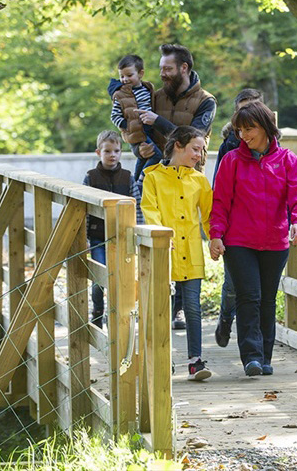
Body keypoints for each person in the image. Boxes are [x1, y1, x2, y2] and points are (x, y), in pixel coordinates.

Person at [209, 102, 297, 376]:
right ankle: (251, 357)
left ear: (266, 127)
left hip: (275, 242)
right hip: (239, 241)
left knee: (267, 299)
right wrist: (215, 235)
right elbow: (220, 201)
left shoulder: (288, 160)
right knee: (249, 296)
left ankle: (265, 358)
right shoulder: (231, 161)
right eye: (240, 130)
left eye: (249, 128)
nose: (243, 135)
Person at [137, 43, 217, 329]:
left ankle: (181, 308)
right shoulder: (155, 97)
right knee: (156, 232)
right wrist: (140, 149)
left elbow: (194, 135)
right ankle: (156, 302)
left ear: (184, 68)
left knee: (184, 234)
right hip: (156, 175)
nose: (163, 74)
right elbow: (138, 129)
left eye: (168, 69)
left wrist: (158, 122)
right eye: (161, 69)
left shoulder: (207, 101)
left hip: (190, 177)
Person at [141, 126, 214, 381]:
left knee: (193, 308)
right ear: (178, 146)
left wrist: (215, 238)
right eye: (195, 149)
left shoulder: (200, 180)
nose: (199, 155)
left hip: (191, 251)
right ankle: (164, 359)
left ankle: (196, 361)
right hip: (164, 251)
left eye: (201, 150)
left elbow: (208, 215)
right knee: (164, 306)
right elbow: (149, 208)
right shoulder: (152, 177)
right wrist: (161, 234)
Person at [213, 88, 264, 348]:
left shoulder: (272, 146)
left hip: (265, 229)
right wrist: (217, 231)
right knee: (233, 285)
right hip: (236, 228)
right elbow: (218, 191)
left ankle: (253, 346)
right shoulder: (229, 147)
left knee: (257, 290)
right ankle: (225, 318)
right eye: (243, 108)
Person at [83, 130, 145, 328]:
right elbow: (83, 208)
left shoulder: (127, 177)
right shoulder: (90, 178)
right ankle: (98, 311)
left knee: (121, 277)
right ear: (98, 153)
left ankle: (117, 314)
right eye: (107, 151)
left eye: (116, 151)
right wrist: (83, 237)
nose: (112, 155)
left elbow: (137, 206)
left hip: (121, 236)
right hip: (97, 236)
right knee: (99, 277)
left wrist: (138, 231)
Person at [107, 54, 161, 182]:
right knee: (157, 154)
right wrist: (128, 126)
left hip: (149, 128)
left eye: (129, 75)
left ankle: (135, 183)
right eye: (122, 76)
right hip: (136, 131)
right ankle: (142, 178)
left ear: (141, 73)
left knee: (143, 158)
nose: (125, 79)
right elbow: (114, 116)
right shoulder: (120, 95)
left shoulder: (148, 89)